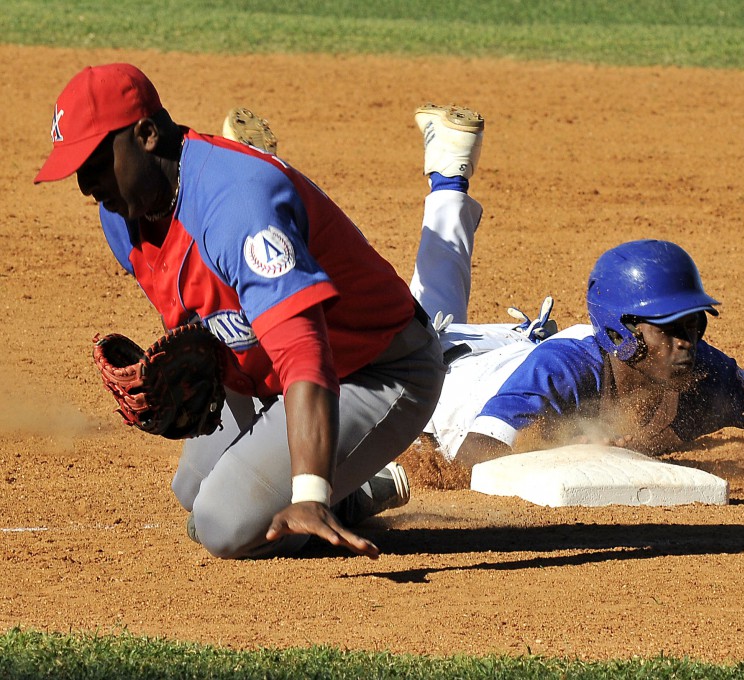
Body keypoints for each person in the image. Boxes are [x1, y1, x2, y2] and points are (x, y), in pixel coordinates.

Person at [34, 64, 446, 559]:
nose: (87, 185)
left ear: (145, 135)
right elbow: (198, 310)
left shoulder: (239, 207)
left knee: (220, 523)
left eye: (96, 162)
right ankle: (351, 490)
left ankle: (327, 494)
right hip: (277, 367)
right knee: (192, 488)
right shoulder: (124, 213)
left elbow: (305, 351)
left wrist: (309, 492)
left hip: (375, 368)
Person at [400, 103, 744, 474]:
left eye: (694, 323)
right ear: (622, 333)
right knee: (414, 332)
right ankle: (448, 180)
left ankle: (450, 177)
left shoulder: (709, 380)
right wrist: (570, 455)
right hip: (432, 386)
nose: (687, 342)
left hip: (508, 353)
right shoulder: (565, 369)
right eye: (669, 328)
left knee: (434, 311)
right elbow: (473, 458)